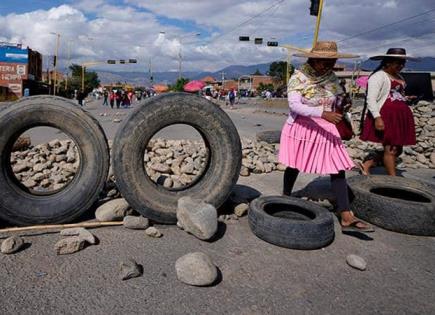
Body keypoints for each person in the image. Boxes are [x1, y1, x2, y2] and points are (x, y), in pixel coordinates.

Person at [279, 41, 373, 233]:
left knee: (337, 167)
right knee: (295, 164)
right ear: (314, 59)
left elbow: (337, 96)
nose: (329, 66)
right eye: (325, 62)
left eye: (332, 61)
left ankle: (345, 214)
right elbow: (294, 106)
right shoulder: (299, 77)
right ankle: (285, 197)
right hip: (303, 127)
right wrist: (322, 113)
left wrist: (342, 102)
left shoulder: (331, 77)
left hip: (327, 127)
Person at [359, 48, 416, 176]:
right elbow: (371, 99)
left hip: (399, 117)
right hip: (386, 116)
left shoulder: (398, 77)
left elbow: (394, 94)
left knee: (398, 149)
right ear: (388, 63)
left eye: (403, 63)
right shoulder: (378, 76)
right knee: (391, 148)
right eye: (398, 63)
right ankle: (393, 178)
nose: (401, 66)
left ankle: (368, 164)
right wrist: (377, 117)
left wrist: (405, 98)